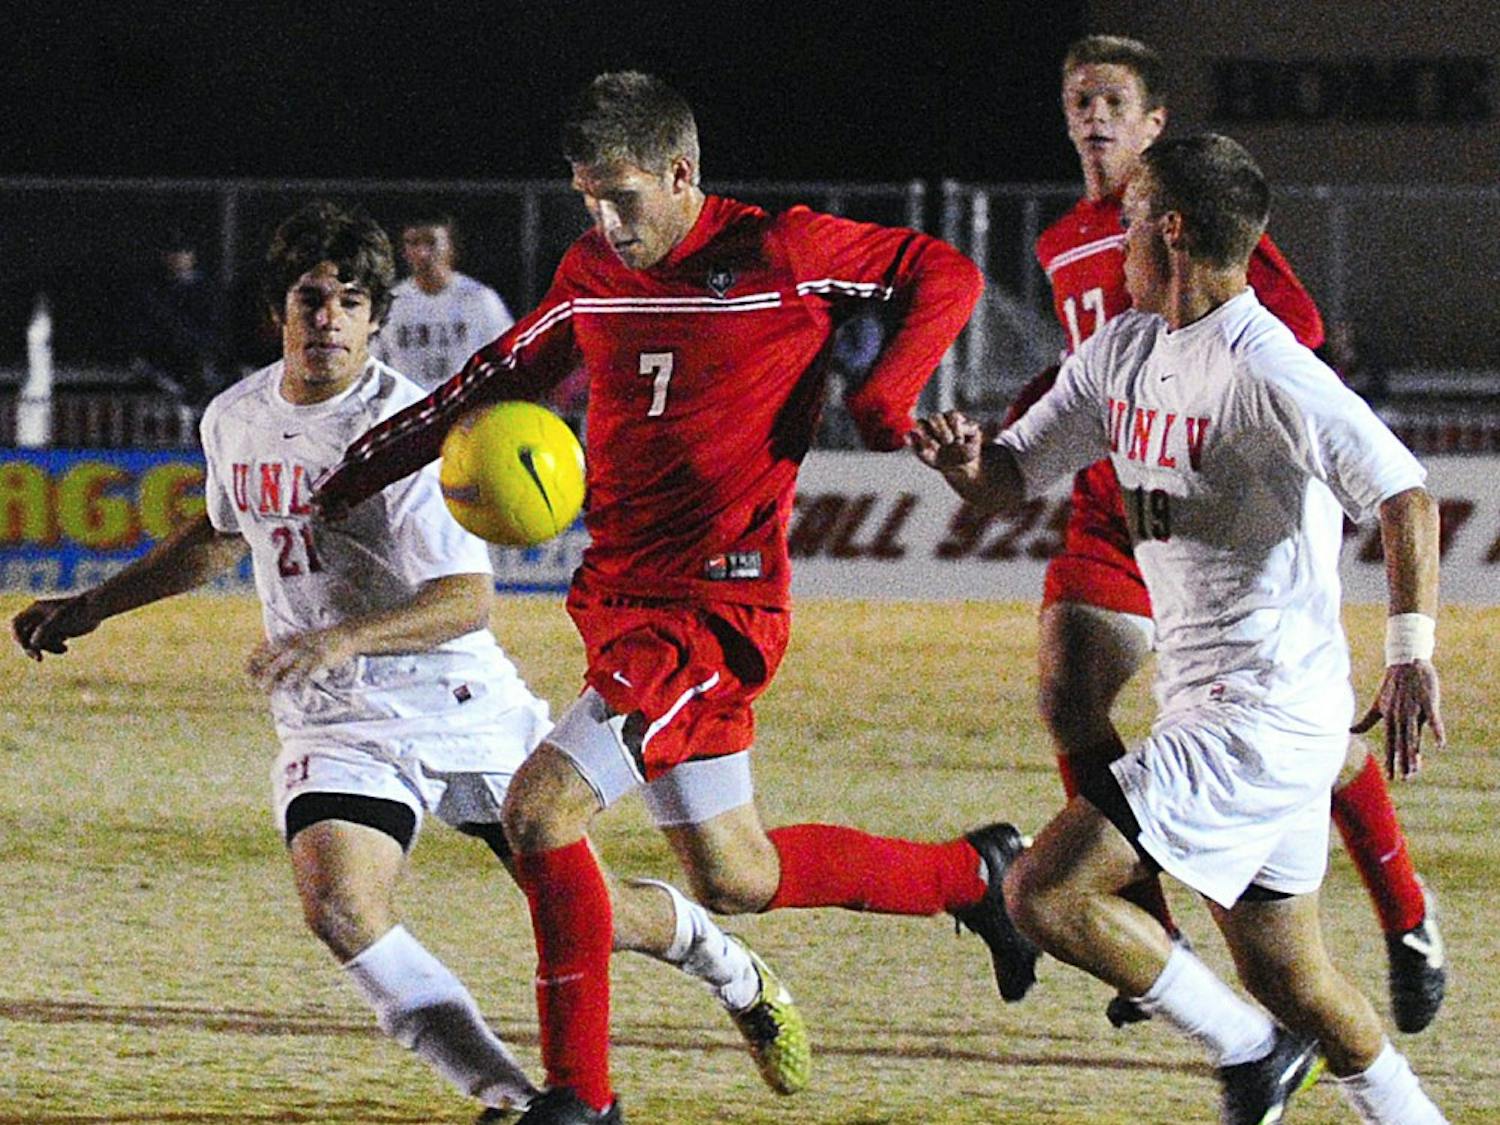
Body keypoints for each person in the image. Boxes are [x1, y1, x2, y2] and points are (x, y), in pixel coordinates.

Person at [313, 72, 1035, 1125]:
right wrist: (357, 470)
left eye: (623, 197)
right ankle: (978, 875)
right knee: (738, 876)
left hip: (712, 612)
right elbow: (490, 380)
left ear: (681, 173)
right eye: (588, 199)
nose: (607, 222)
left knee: (540, 810)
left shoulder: (781, 252)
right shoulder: (592, 271)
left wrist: (888, 397)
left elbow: (946, 270)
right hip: (621, 602)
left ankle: (582, 1098)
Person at [12, 201, 812, 1120]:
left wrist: (340, 637)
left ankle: (727, 963)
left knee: (594, 912)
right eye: (312, 298)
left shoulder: (409, 430)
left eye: (351, 302)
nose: (329, 319)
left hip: (459, 704)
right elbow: (222, 533)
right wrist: (93, 605)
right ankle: (513, 1099)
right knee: (340, 907)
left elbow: (465, 598)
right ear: (279, 308)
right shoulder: (235, 415)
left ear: (376, 320)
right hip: (337, 719)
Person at [915, 134, 1448, 1124]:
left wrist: (1411, 654)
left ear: (1172, 232)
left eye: (1127, 223)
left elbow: (1405, 495)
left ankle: (1250, 1052)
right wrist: (965, 465)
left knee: (1042, 893)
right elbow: (1010, 479)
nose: (1112, 242)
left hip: (1259, 719)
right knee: (1296, 980)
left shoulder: (1267, 368)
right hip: (1233, 712)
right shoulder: (1121, 352)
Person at [1013, 33, 1444, 1032]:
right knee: (1066, 692)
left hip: (1221, 487)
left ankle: (1406, 915)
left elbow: (1285, 338)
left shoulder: (1206, 225)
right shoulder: (1062, 240)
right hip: (1118, 491)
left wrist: (1209, 416)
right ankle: (1145, 931)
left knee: (1304, 734)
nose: (1095, 119)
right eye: (1080, 101)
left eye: (1115, 102)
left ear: (1154, 125)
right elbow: (1086, 365)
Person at [373, 212, 516, 390]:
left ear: (451, 248)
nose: (422, 253)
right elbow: (371, 363)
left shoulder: (480, 300)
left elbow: (507, 357)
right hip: (409, 403)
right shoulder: (391, 303)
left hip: (464, 400)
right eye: (413, 243)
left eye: (431, 242)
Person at [126, 227, 228, 407]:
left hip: (199, 352)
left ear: (192, 257)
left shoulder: (207, 290)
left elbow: (215, 325)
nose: (178, 258)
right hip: (165, 354)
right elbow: (152, 324)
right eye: (172, 253)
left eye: (183, 252)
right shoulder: (154, 290)